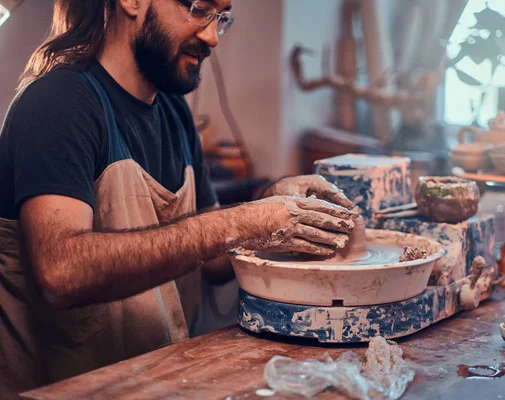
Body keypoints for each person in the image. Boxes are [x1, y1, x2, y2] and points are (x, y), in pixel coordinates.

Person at [0, 0, 358, 396]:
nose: (212, 36)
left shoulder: (173, 110)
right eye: (199, 8)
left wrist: (272, 202)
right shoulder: (58, 102)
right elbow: (61, 272)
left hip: (157, 380)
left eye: (221, 17)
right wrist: (241, 223)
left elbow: (215, 261)